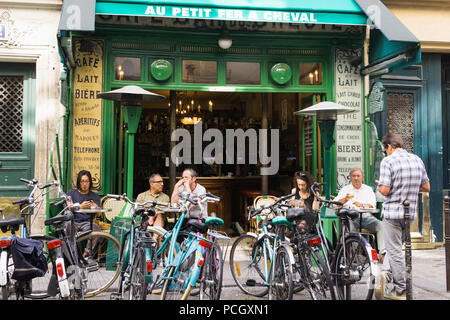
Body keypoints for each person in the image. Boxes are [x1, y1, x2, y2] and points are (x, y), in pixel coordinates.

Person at [375, 132, 430, 300]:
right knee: (397, 249)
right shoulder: (417, 160)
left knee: (394, 250)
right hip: (409, 214)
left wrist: (380, 186)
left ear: (389, 147)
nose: (386, 153)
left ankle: (401, 289)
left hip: (392, 213)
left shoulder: (388, 161)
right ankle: (385, 275)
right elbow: (426, 187)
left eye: (386, 150)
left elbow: (384, 190)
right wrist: (409, 189)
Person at [335, 168, 385, 261]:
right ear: (350, 178)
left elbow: (372, 205)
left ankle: (382, 254)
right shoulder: (345, 189)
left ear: (362, 178)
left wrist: (361, 204)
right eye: (354, 176)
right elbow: (335, 204)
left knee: (380, 225)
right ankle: (355, 255)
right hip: (351, 218)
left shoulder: (368, 189)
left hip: (366, 217)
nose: (356, 178)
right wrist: (345, 200)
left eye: (358, 176)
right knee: (350, 227)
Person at [66, 170, 102, 258]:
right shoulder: (71, 193)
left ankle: (86, 254)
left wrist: (95, 207)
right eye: (82, 181)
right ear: (79, 182)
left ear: (90, 182)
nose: (84, 184)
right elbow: (69, 207)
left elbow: (99, 215)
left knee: (97, 230)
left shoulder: (94, 196)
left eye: (87, 181)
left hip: (86, 222)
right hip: (73, 221)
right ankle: (70, 254)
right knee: (67, 226)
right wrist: (80, 206)